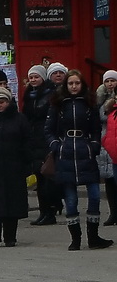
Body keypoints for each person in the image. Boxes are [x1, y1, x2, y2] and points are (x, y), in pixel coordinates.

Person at [45, 69, 113, 250]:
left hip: (86, 152)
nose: (74, 87)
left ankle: (93, 237)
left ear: (82, 85)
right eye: (70, 83)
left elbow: (96, 129)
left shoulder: (89, 104)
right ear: (66, 86)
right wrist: (56, 146)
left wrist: (94, 145)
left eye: (77, 83)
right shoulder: (58, 105)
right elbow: (49, 130)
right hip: (65, 153)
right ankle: (75, 239)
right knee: (71, 199)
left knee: (95, 195)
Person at [0, 86, 33, 247]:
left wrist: (28, 163)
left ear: (8, 102)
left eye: (2, 102)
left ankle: (10, 237)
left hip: (14, 168)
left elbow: (27, 142)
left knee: (12, 205)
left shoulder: (19, 119)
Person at [22, 64, 56, 224]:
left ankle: (50, 211)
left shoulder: (51, 95)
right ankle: (43, 211)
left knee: (47, 177)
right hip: (33, 139)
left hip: (46, 139)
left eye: (36, 77)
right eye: (31, 77)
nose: (34, 80)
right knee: (39, 179)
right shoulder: (29, 95)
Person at [98, 69, 117, 224]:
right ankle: (113, 212)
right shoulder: (99, 98)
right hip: (106, 142)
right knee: (109, 181)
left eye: (113, 80)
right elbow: (99, 116)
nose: (110, 84)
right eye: (107, 81)